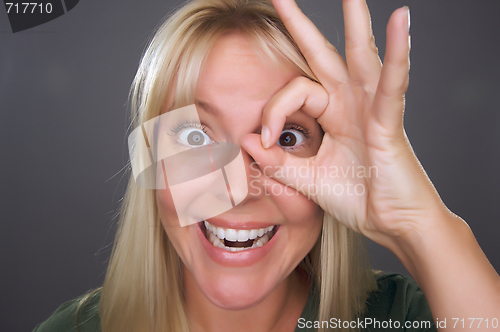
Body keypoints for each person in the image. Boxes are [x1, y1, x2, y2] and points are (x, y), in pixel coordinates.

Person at [33, 0, 500, 331]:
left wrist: (419, 222)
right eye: (196, 137)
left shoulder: (403, 318)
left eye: (288, 137)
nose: (239, 189)